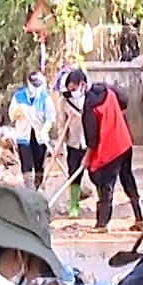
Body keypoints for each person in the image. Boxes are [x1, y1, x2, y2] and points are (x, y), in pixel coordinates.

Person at [81, 75, 143, 230]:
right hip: (123, 141)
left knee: (105, 184)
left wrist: (86, 158)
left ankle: (102, 224)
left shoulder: (90, 106)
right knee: (127, 178)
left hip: (108, 149)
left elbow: (92, 138)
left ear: (81, 85)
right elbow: (123, 102)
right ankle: (139, 218)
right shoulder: (109, 92)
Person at [51, 69, 90, 218]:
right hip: (73, 143)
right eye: (70, 87)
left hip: (90, 142)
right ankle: (74, 205)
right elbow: (61, 124)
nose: (72, 90)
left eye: (74, 87)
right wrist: (59, 146)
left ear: (82, 84)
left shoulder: (90, 98)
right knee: (73, 173)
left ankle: (102, 204)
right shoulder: (64, 101)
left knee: (97, 174)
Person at [9, 71, 53, 189]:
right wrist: (17, 111)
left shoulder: (45, 98)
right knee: (26, 164)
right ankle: (29, 189)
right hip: (23, 136)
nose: (36, 87)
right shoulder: (19, 97)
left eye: (38, 85)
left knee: (39, 164)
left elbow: (50, 119)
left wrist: (44, 130)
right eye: (34, 85)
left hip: (40, 137)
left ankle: (37, 188)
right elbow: (11, 116)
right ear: (28, 83)